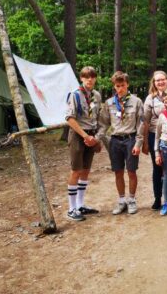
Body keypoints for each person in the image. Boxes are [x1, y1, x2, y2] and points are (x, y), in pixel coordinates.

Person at [98, 71, 144, 215]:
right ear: (114, 86)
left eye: (123, 85)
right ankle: (121, 200)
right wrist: (97, 138)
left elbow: (141, 124)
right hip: (115, 141)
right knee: (118, 171)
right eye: (117, 86)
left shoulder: (136, 102)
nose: (120, 89)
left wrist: (138, 143)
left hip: (130, 139)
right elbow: (103, 124)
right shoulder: (110, 103)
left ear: (127, 84)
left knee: (131, 171)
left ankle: (131, 200)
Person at [64, 66, 102, 222]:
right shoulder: (75, 95)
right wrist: (85, 135)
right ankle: (71, 208)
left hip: (91, 135)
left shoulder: (97, 96)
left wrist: (95, 137)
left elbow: (98, 117)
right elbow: (69, 118)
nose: (90, 79)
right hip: (79, 135)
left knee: (86, 170)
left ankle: (80, 205)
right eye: (86, 77)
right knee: (76, 171)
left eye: (92, 77)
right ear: (81, 78)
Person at [142, 70, 167, 211]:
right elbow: (145, 121)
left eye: (163, 79)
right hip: (156, 136)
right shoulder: (150, 99)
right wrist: (145, 142)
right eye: (157, 80)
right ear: (154, 83)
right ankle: (158, 198)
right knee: (158, 168)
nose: (160, 82)